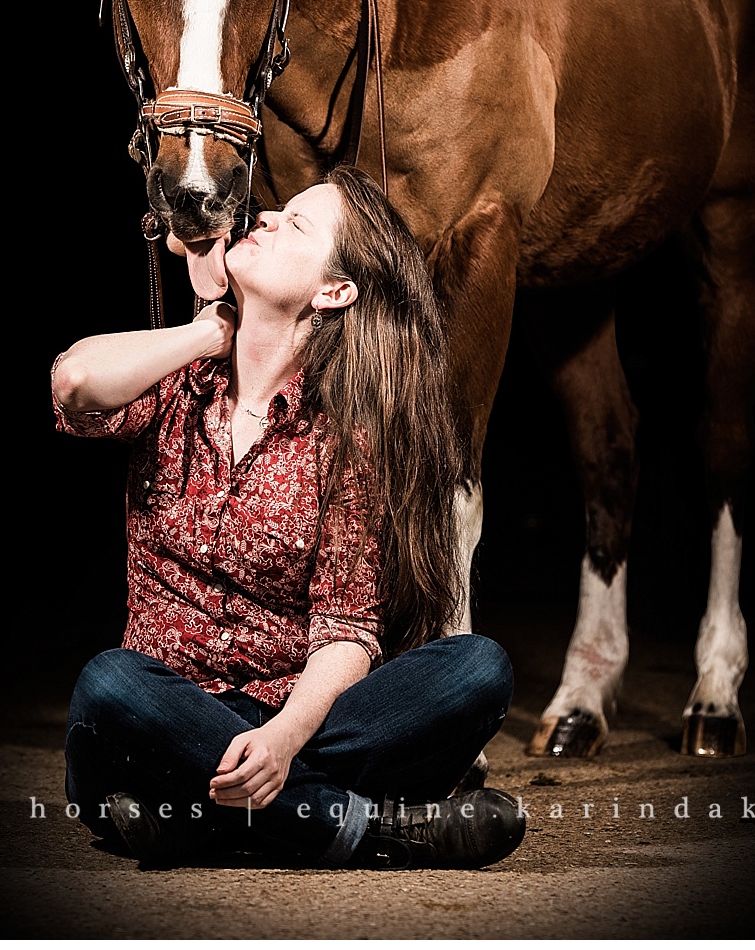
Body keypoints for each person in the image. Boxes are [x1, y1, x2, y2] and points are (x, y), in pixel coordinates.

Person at [48, 165, 525, 870]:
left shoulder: (344, 438)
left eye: (296, 223)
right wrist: (205, 335)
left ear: (334, 291)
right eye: (277, 211)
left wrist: (281, 740)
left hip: (288, 720)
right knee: (111, 684)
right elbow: (74, 382)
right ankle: (364, 829)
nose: (265, 218)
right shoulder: (174, 383)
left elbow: (346, 632)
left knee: (476, 669)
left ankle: (202, 824)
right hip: (166, 713)